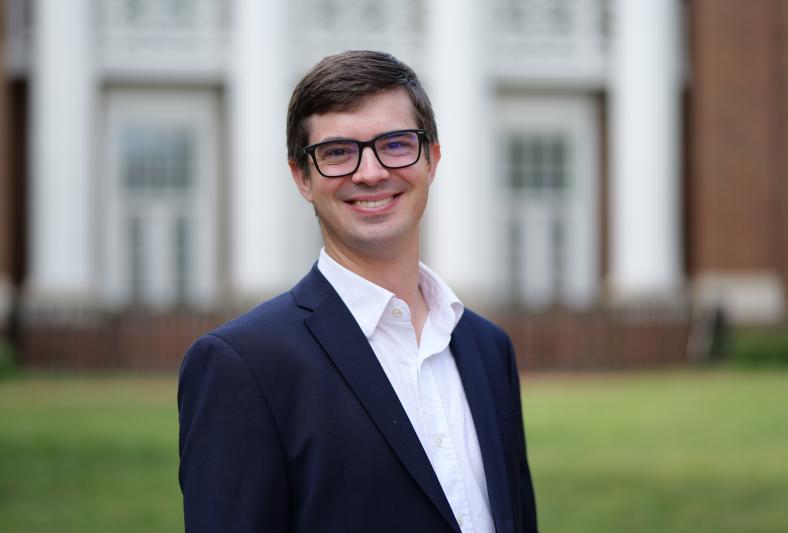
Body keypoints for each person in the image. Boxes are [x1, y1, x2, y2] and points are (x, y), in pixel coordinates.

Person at [178, 50, 538, 533]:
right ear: (302, 177)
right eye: (338, 152)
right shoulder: (243, 364)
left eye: (395, 144)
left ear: (431, 158)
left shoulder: (488, 348)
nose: (369, 172)